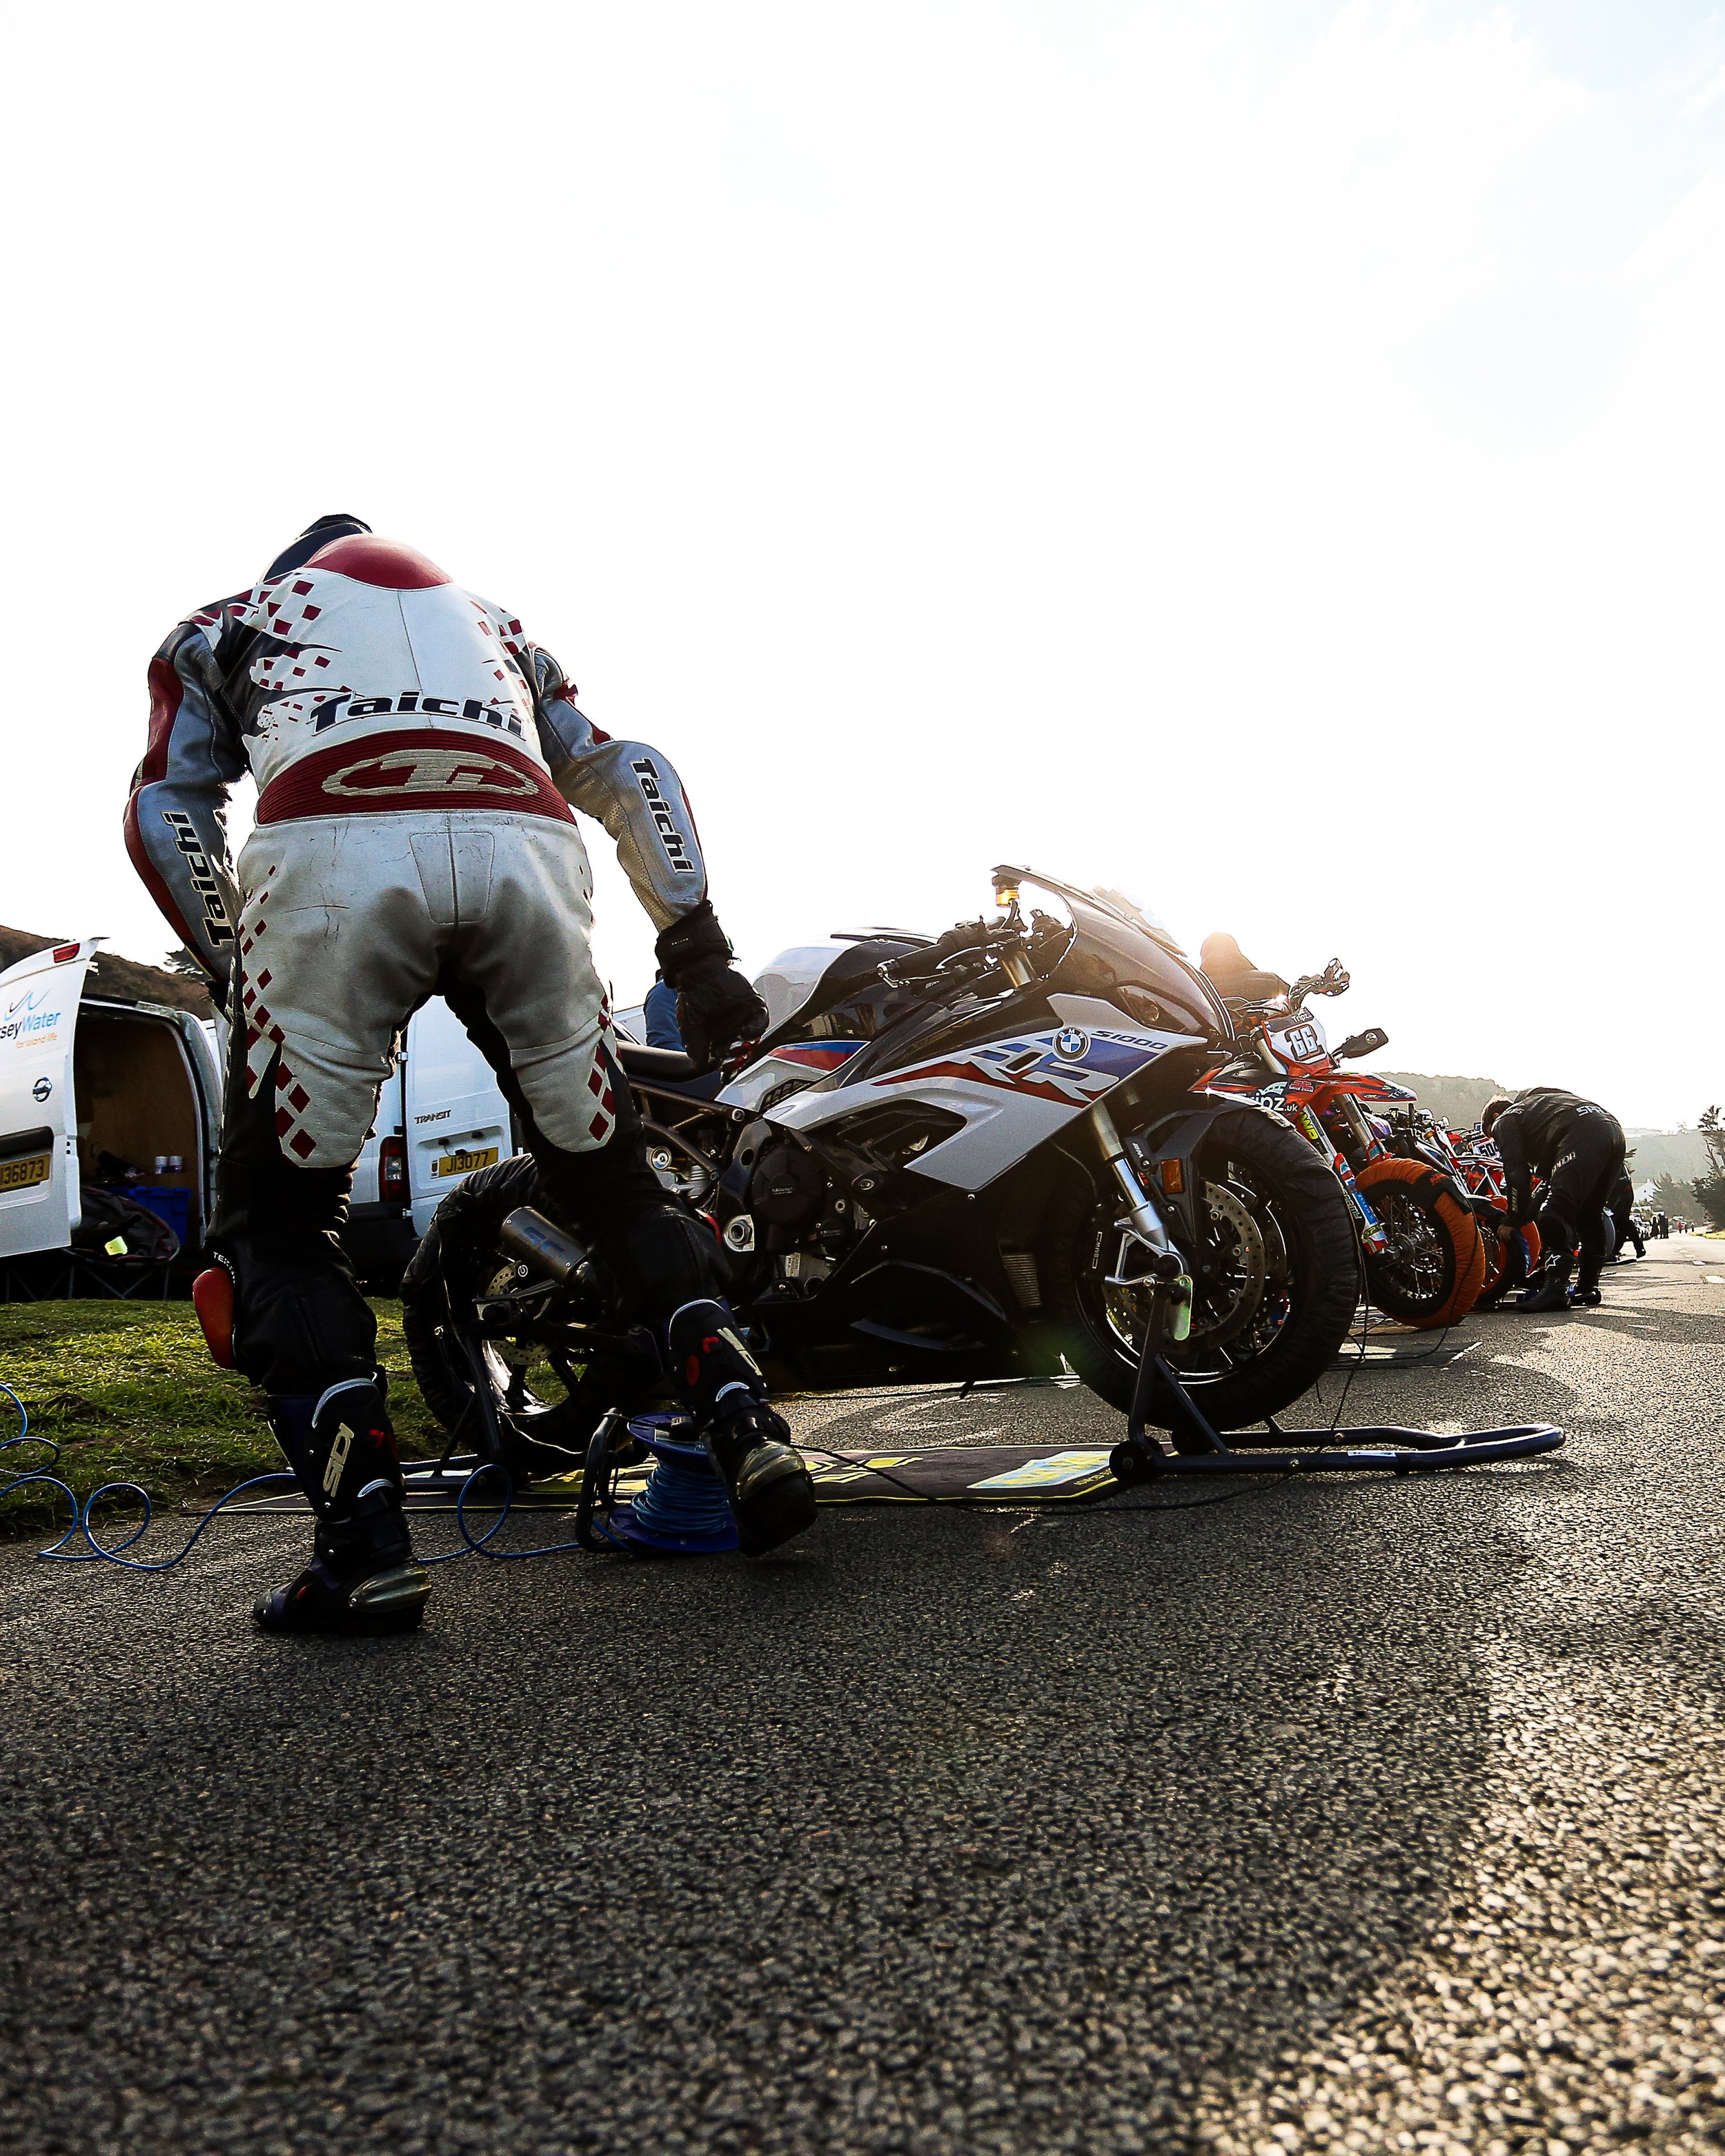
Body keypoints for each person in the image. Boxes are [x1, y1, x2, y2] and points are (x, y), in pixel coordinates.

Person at [126, 515, 814, 1634]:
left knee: (279, 1230)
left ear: (292, 572)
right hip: (526, 856)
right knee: (617, 1187)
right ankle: (744, 1427)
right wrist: (694, 943)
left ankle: (365, 1551)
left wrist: (232, 963)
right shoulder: (498, 625)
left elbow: (166, 807)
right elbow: (624, 767)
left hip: (330, 852)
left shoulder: (227, 623)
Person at [1481, 1087, 1627, 1312]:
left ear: (1494, 1118)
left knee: (1556, 1212)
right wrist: (1523, 1217)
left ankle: (1556, 1290)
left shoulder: (1506, 1120)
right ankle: (1588, 1287)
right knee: (1589, 1212)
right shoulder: (1542, 1113)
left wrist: (1512, 1219)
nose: (1499, 1143)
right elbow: (1545, 1185)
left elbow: (1516, 1174)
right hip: (1611, 1129)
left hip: (1582, 1132)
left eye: (1493, 1137)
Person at [1199, 933, 1290, 1002]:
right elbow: (1296, 1003)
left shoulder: (1200, 992)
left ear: (1204, 957)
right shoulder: (1271, 981)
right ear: (1236, 951)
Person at [1610, 1166, 1646, 1260]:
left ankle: (1611, 1252)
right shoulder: (1619, 1162)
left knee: (1613, 1221)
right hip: (1625, 1191)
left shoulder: (1606, 1158)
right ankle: (1638, 1248)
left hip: (1619, 1192)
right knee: (1622, 1222)